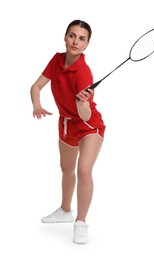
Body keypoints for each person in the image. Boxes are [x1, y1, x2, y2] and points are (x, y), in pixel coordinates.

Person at [30, 20, 105, 244]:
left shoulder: (83, 73)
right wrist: (36, 105)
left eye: (82, 39)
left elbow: (84, 115)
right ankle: (65, 211)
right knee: (66, 169)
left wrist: (82, 102)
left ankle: (81, 222)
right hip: (66, 123)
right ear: (65, 37)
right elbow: (36, 86)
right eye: (72, 36)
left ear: (87, 45)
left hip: (89, 125)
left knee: (83, 170)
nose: (75, 41)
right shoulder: (56, 60)